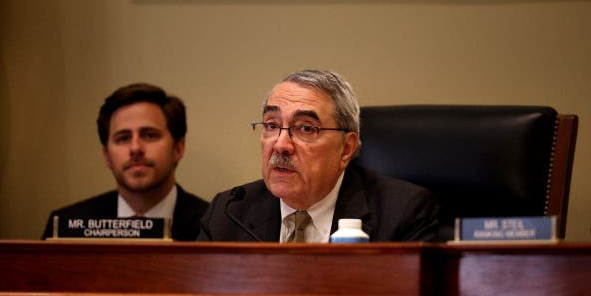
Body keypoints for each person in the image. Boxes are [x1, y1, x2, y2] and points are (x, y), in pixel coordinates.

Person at [198, 69, 439, 242]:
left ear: (346, 149)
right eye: (271, 125)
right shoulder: (229, 212)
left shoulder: (402, 213)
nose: (281, 144)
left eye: (305, 128)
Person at [42, 83, 208, 241]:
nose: (135, 148)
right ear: (107, 155)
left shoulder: (216, 226)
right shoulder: (64, 227)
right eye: (123, 138)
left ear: (178, 148)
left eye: (149, 135)